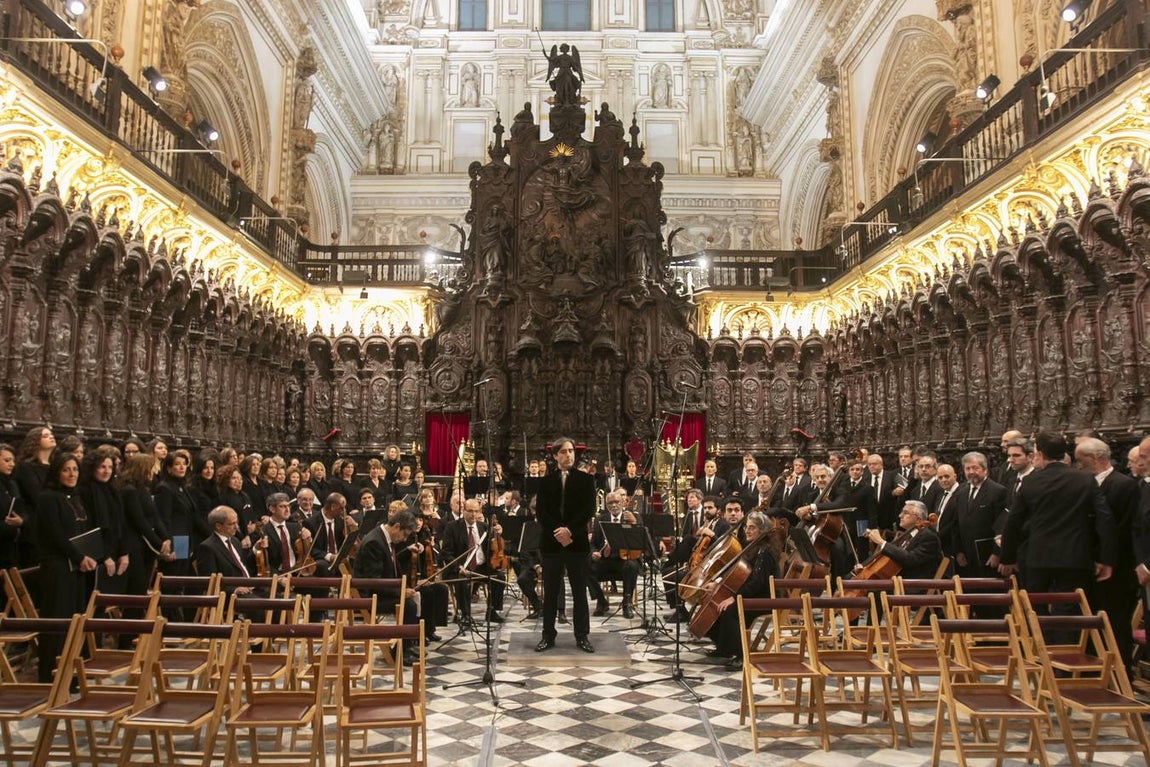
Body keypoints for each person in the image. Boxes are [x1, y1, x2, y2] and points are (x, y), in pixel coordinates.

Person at [1000, 432, 1117, 598]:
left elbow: (1013, 521)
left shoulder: (1030, 482)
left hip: (1038, 556)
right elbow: (1105, 519)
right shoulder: (1085, 479)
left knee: (1036, 609)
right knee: (1070, 608)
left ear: (1040, 454)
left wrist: (1007, 557)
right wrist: (1107, 559)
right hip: (1075, 556)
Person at [35, 452, 97, 681]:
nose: (72, 474)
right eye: (66, 470)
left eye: (75, 470)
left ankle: (71, 675)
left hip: (77, 566)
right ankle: (52, 675)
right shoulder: (48, 498)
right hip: (58, 566)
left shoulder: (75, 497)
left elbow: (82, 532)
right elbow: (55, 534)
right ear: (56, 472)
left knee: (75, 618)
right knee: (58, 620)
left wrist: (87, 556)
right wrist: (80, 557)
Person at [535, 437, 596, 653]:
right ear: (555, 456)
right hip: (551, 544)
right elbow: (541, 512)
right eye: (563, 452)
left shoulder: (586, 480)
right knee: (550, 592)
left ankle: (582, 636)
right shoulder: (545, 482)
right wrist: (558, 533)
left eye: (571, 451)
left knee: (580, 592)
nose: (569, 455)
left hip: (577, 543)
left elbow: (588, 510)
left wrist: (569, 531)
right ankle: (548, 636)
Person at [702, 511, 778, 670]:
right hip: (751, 593)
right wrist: (718, 585)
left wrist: (735, 597)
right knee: (718, 604)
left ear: (762, 530)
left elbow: (757, 583)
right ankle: (724, 649)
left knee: (730, 609)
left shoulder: (764, 551)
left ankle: (741, 655)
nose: (747, 530)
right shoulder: (751, 547)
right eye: (746, 527)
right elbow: (737, 575)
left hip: (764, 598)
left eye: (752, 528)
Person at [441, 497, 505, 624]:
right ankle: (465, 614)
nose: (473, 514)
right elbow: (446, 553)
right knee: (462, 580)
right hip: (461, 567)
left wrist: (498, 535)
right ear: (463, 511)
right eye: (470, 511)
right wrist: (458, 566)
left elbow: (494, 549)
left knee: (500, 577)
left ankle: (492, 611)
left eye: (476, 511)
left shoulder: (485, 527)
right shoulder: (452, 527)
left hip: (481, 566)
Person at [588, 489, 640, 619]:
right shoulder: (600, 519)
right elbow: (593, 542)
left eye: (617, 502)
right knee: (584, 566)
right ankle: (601, 601)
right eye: (610, 503)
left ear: (623, 502)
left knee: (632, 566)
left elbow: (641, 538)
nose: (614, 505)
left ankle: (626, 603)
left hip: (624, 560)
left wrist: (635, 524)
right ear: (606, 505)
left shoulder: (632, 516)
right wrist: (594, 552)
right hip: (605, 560)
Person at [861, 500, 942, 579]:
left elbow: (910, 559)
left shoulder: (929, 538)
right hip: (898, 581)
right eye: (901, 512)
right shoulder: (907, 535)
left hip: (914, 585)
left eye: (905, 513)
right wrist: (867, 567)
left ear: (918, 519)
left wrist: (881, 541)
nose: (900, 515)